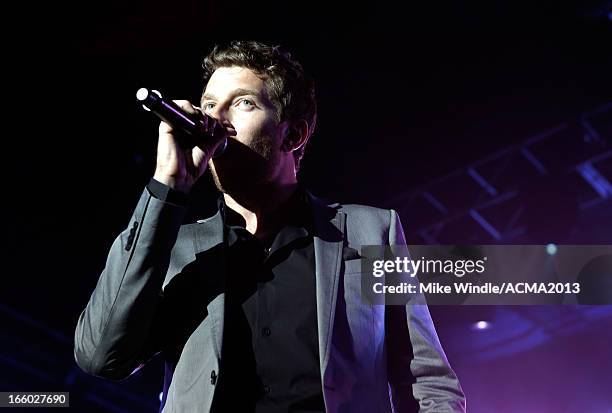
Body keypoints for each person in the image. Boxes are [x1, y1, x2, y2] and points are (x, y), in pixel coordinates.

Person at [74, 41, 466, 413]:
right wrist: (167, 185)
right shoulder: (175, 247)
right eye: (209, 104)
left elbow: (426, 379)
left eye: (242, 103)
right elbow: (99, 356)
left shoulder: (370, 230)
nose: (215, 120)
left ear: (293, 134)